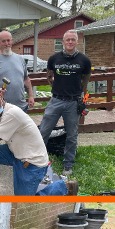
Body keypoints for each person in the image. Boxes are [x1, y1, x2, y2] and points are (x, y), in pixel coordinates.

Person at [0, 87, 70, 196]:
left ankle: (63, 186)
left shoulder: (12, 113)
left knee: (23, 202)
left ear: (1, 97)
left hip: (32, 162)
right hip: (15, 153)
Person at [38, 29, 91, 179]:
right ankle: (38, 159)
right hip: (55, 100)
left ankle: (68, 164)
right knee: (43, 131)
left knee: (72, 135)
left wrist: (75, 91)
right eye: (67, 40)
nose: (70, 42)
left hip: (73, 103)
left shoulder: (84, 60)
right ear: (63, 41)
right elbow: (49, 76)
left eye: (73, 40)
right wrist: (56, 87)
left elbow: (85, 79)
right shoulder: (54, 58)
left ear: (77, 41)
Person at [0, 30, 34, 130]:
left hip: (20, 106)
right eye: (3, 41)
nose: (6, 43)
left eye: (8, 41)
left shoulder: (20, 59)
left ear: (12, 40)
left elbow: (26, 79)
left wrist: (31, 96)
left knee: (19, 136)